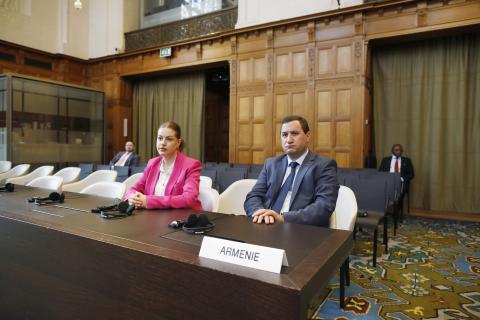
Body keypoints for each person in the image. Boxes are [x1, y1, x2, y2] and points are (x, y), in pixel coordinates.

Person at [244, 115, 339, 226]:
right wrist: (259, 213)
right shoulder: (271, 164)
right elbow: (253, 196)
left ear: (307, 136)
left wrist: (282, 218)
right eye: (284, 135)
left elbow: (324, 206)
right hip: (266, 225)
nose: (288, 140)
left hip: (300, 230)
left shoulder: (324, 166)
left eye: (294, 133)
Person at [125, 121, 202, 210]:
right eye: (160, 138)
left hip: (181, 219)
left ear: (178, 143)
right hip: (153, 217)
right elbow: (133, 189)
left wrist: (149, 201)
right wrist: (132, 198)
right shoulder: (152, 163)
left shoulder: (191, 165)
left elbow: (189, 199)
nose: (162, 143)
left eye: (169, 139)